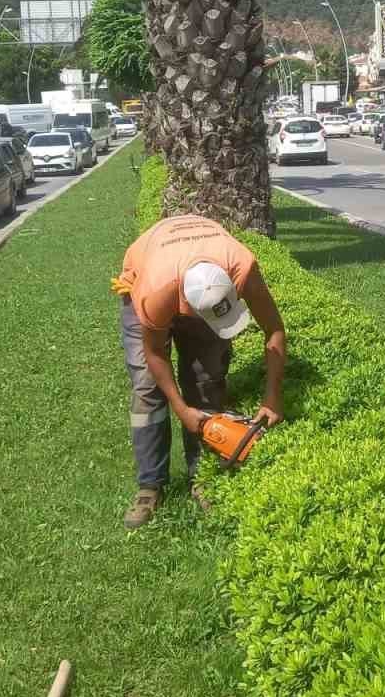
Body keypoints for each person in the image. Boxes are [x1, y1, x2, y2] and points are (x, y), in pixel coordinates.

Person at [111, 214, 286, 530]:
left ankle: (201, 476)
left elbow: (274, 329)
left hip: (191, 269)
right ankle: (150, 486)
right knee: (147, 388)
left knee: (206, 381)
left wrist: (272, 397)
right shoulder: (155, 289)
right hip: (148, 277)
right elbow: (154, 353)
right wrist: (181, 409)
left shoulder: (241, 266)